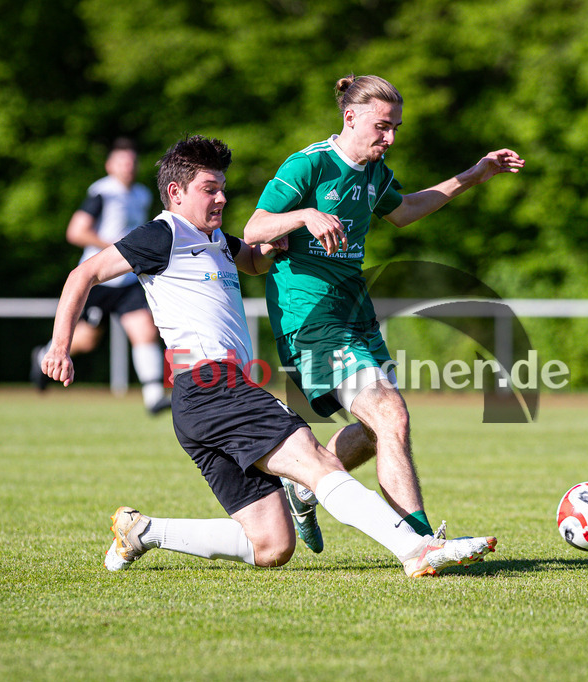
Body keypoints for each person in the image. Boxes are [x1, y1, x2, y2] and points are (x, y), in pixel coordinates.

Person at [41, 134, 497, 577]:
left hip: (196, 401)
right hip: (212, 384)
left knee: (272, 545)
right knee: (315, 463)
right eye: (209, 189)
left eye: (223, 188)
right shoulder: (164, 233)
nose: (221, 199)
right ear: (176, 193)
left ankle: (144, 531)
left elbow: (255, 260)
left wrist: (288, 233)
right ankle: (417, 549)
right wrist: (60, 347)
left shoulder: (215, 238)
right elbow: (83, 275)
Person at [243, 74, 524, 553]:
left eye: (395, 127)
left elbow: (406, 209)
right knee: (392, 416)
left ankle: (305, 485)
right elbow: (254, 228)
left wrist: (474, 175)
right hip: (310, 319)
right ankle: (419, 542)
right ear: (350, 117)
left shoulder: (375, 171)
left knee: (380, 431)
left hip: (355, 315)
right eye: (381, 126)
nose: (390, 138)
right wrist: (304, 215)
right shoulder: (308, 165)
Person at [30, 138, 170, 415]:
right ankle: (43, 355)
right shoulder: (102, 192)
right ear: (109, 165)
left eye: (131, 162)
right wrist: (117, 250)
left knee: (144, 329)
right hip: (100, 278)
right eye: (122, 162)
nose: (128, 167)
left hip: (129, 279)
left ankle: (153, 397)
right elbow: (75, 231)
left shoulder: (141, 194)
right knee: (87, 339)